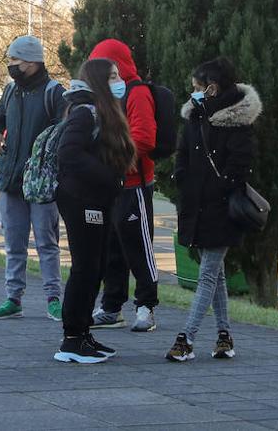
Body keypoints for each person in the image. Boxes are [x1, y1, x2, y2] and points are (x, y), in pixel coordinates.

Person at [167, 57, 261, 363]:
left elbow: (240, 166)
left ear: (211, 88)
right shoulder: (195, 116)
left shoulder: (237, 123)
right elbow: (182, 152)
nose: (191, 93)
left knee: (207, 273)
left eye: (196, 88)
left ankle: (187, 338)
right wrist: (182, 177)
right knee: (216, 274)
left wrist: (216, 187)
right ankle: (224, 336)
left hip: (221, 208)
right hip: (197, 204)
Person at [54, 59, 137, 364]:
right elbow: (69, 153)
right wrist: (110, 177)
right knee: (85, 267)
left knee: (97, 266)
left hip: (95, 199)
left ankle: (83, 332)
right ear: (100, 81)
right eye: (113, 76)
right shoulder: (85, 113)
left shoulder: (102, 111)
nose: (119, 80)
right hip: (81, 199)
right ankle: (72, 339)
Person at [0, 35, 66, 322]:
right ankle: (13, 297)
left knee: (47, 242)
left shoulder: (55, 93)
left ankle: (53, 298)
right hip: (10, 178)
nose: (11, 65)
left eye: (15, 60)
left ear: (32, 62)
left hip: (41, 183)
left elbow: (65, 130)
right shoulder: (10, 91)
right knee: (13, 242)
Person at [88, 38, 159, 333]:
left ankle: (146, 306)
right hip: (112, 184)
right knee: (111, 249)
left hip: (133, 183)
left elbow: (144, 137)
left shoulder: (136, 92)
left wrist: (113, 161)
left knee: (138, 248)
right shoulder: (105, 96)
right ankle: (111, 306)